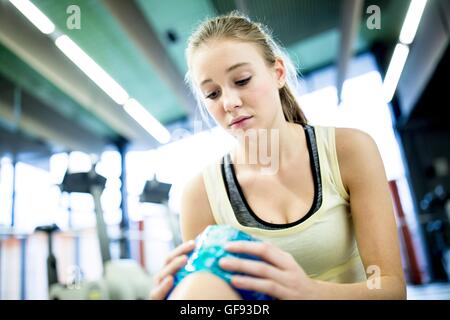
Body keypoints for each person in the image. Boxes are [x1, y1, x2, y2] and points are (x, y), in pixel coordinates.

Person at [150, 11, 406, 300]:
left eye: (243, 80)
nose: (230, 103)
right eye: (212, 94)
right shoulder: (201, 193)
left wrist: (308, 292)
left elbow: (391, 289)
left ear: (278, 73)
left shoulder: (349, 150)